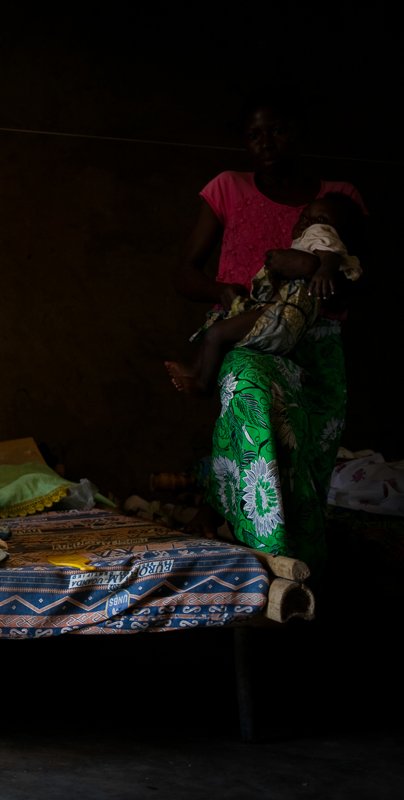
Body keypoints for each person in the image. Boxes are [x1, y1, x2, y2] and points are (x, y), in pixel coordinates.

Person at [170, 90, 367, 568]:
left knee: (307, 457)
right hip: (252, 332)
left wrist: (312, 270)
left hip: (317, 343)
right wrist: (221, 291)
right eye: (254, 134)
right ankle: (264, 555)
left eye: (278, 130)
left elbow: (359, 278)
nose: (266, 142)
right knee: (252, 400)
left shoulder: (338, 199)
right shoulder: (228, 188)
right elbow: (185, 273)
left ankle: (300, 565)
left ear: (299, 132)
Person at [166, 192, 364, 396]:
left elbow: (329, 255)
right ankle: (195, 371)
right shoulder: (307, 245)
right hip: (276, 317)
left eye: (322, 219)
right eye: (304, 216)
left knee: (217, 333)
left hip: (280, 321)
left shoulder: (320, 237)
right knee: (219, 324)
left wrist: (323, 271)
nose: (310, 222)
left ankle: (202, 386)